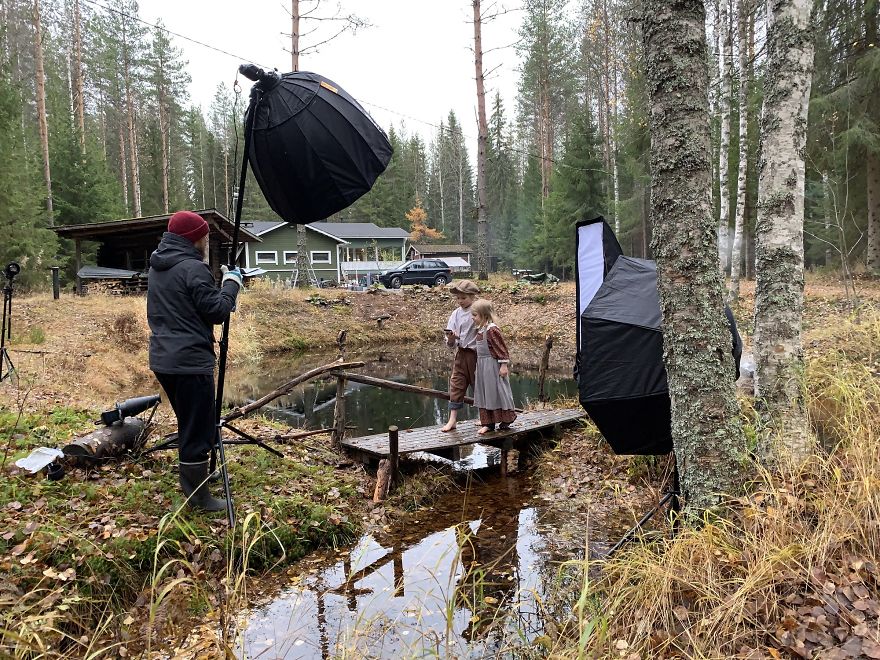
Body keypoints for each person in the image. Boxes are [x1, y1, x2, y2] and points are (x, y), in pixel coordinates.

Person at [147, 210, 243, 512]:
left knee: (190, 422)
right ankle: (199, 498)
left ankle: (198, 474)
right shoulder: (193, 268)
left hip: (164, 359)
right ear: (194, 238)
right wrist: (231, 283)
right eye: (204, 235)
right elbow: (216, 311)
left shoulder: (158, 267)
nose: (206, 240)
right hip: (190, 361)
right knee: (198, 428)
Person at [470, 299, 516, 435]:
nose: (472, 318)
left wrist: (503, 365)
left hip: (492, 366)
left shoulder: (492, 330)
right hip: (482, 366)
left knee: (497, 392)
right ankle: (488, 423)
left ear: (484, 315)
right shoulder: (481, 330)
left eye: (475, 315)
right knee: (484, 394)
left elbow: (501, 349)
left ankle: (505, 419)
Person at [441, 279, 480, 432]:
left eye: (463, 298)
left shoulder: (478, 312)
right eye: (458, 298)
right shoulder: (455, 314)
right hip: (461, 354)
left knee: (479, 385)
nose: (460, 301)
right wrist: (451, 338)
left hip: (476, 355)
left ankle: (484, 417)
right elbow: (451, 343)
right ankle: (452, 419)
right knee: (456, 384)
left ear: (472, 297)